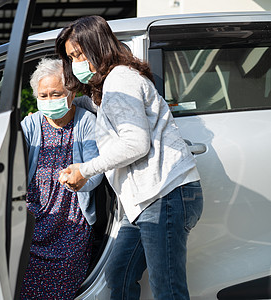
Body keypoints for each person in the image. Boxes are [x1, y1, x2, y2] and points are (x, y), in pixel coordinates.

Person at [55, 16, 204, 299]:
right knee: (119, 274)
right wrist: (69, 101)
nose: (75, 63)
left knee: (168, 290)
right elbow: (106, 109)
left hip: (165, 196)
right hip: (146, 202)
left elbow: (135, 143)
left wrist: (85, 169)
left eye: (78, 54)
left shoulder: (121, 80)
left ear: (96, 46)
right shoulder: (113, 84)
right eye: (71, 57)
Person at [19, 57, 103, 299]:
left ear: (71, 92)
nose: (49, 101)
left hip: (71, 224)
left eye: (55, 94)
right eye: (43, 96)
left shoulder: (86, 121)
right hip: (34, 219)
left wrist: (82, 178)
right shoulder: (31, 123)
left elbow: (96, 171)